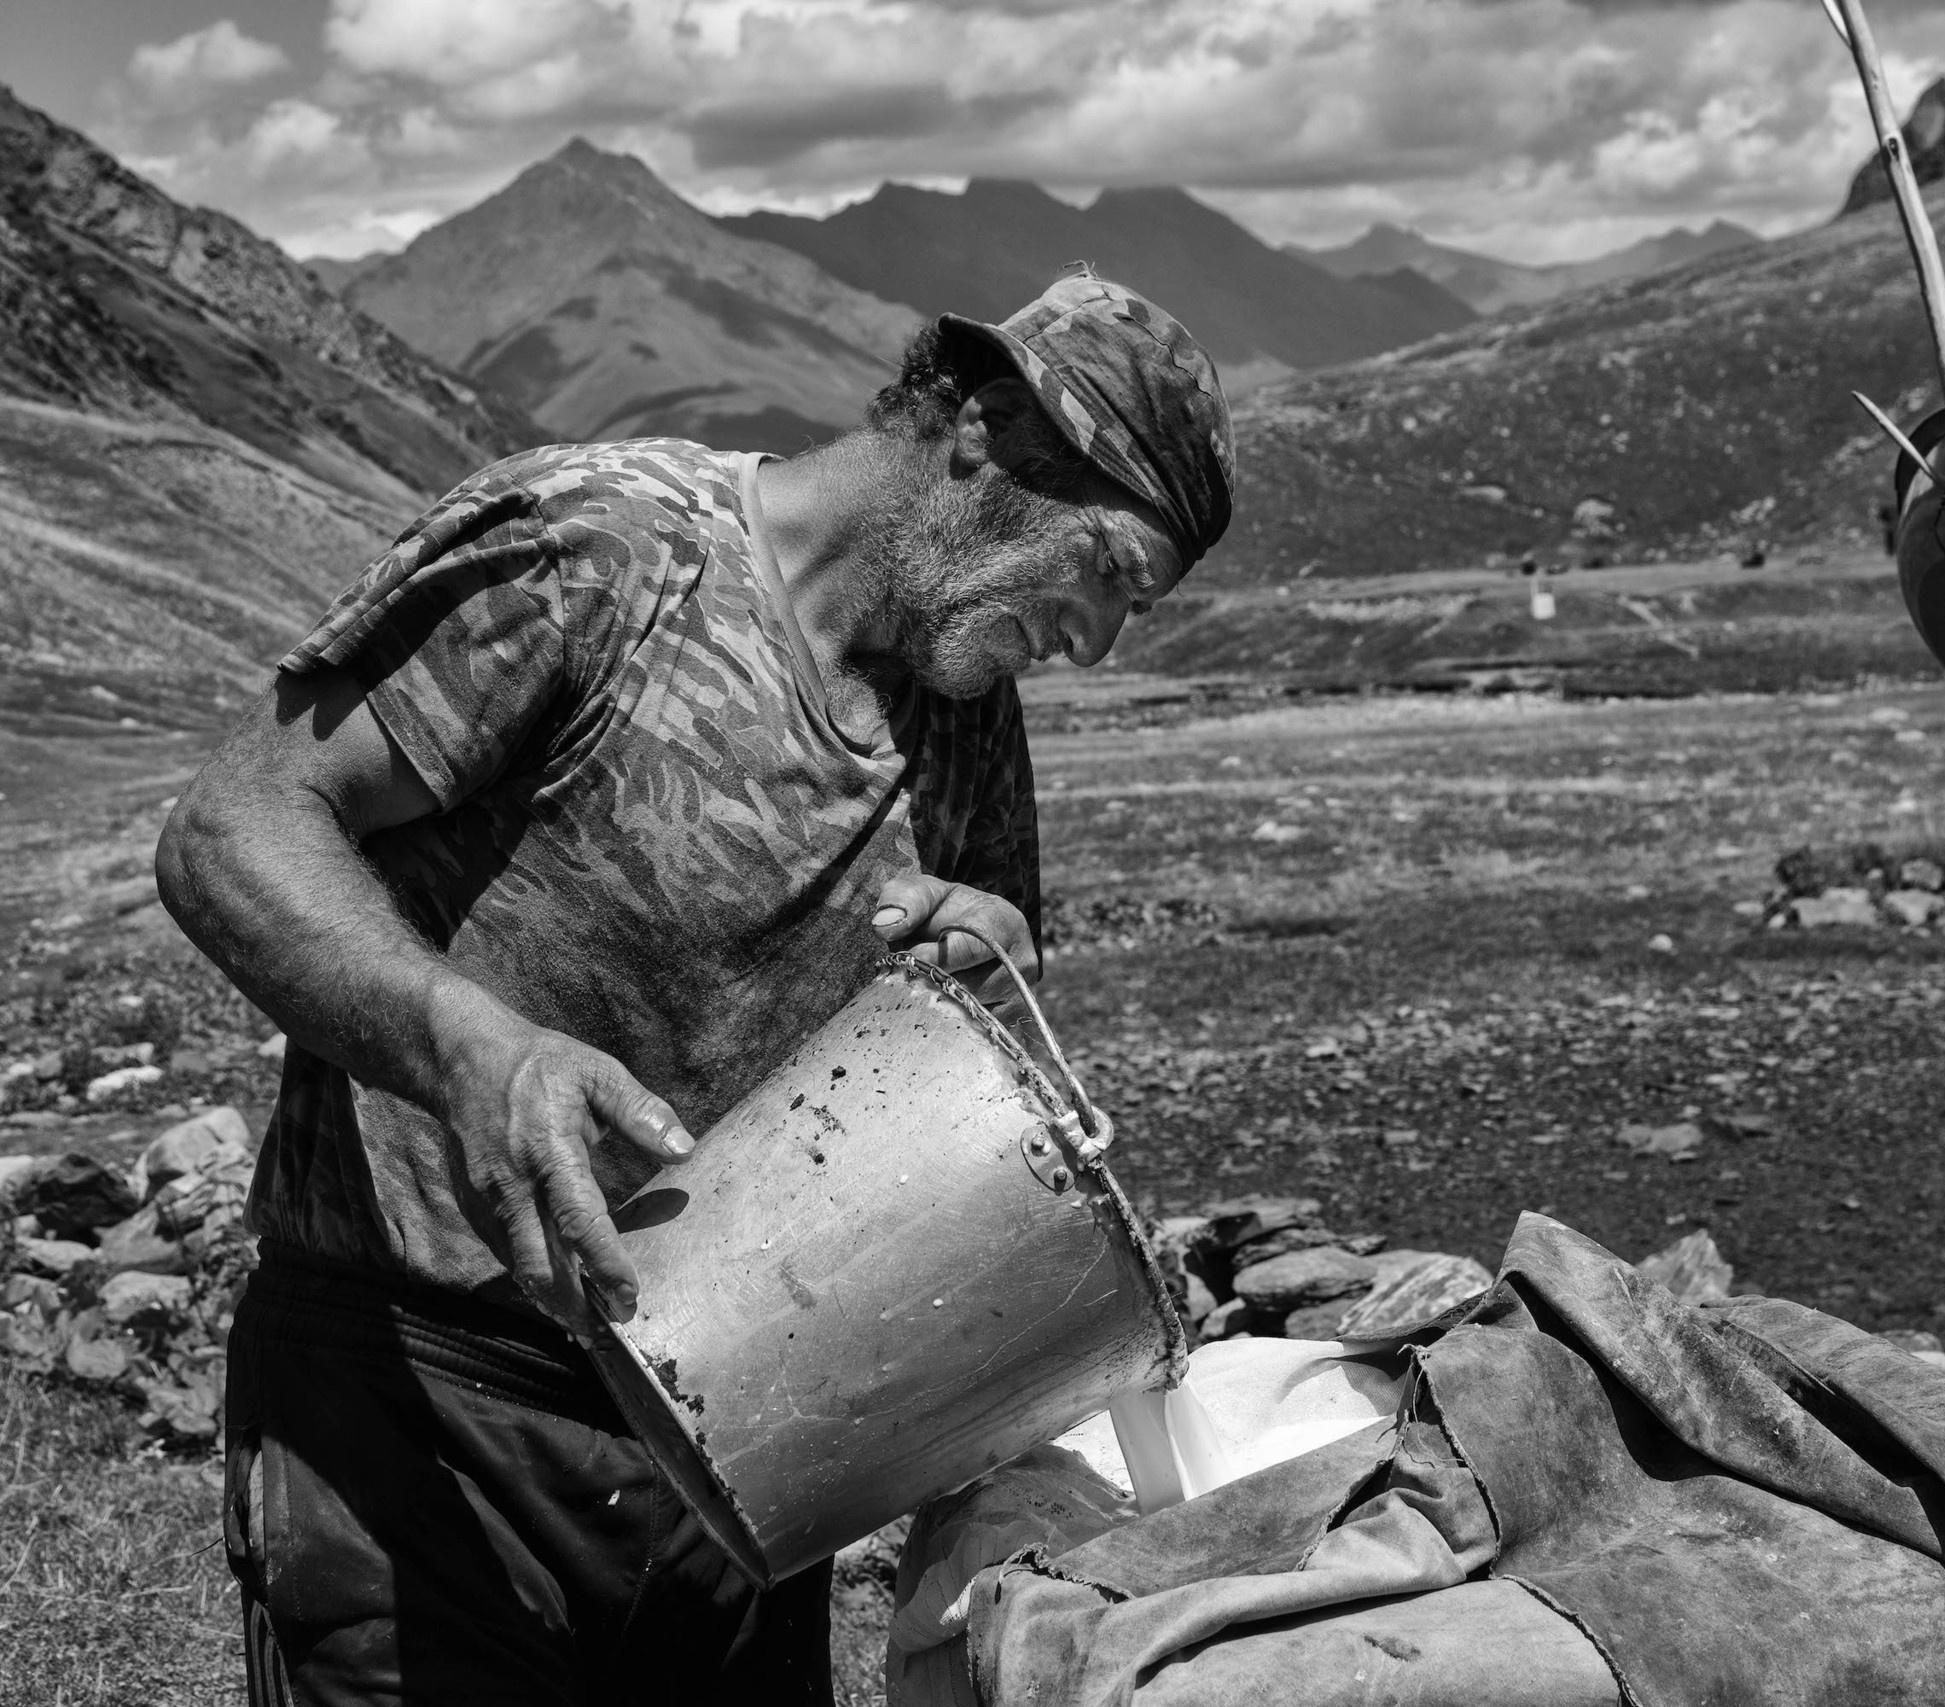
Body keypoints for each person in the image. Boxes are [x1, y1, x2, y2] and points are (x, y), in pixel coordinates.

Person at [154, 269, 1235, 1706]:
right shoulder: (608, 553)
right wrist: (470, 1046)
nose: (1096, 640)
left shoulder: (965, 720)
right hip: (424, 1406)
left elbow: (958, 1046)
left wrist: (981, 987)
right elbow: (232, 831)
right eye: (1105, 571)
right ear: (985, 433)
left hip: (747, 1441)